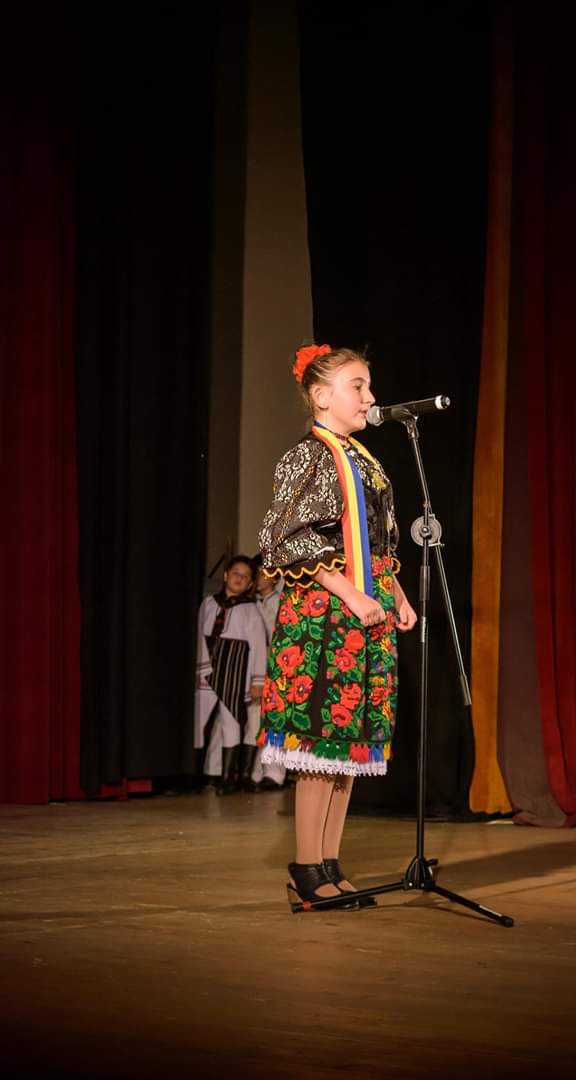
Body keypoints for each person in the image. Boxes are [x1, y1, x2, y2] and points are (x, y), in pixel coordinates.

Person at [257, 343, 417, 910]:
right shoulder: (310, 456)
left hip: (365, 613)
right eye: (358, 386)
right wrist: (351, 593)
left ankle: (329, 863)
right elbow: (285, 537)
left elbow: (377, 543)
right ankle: (305, 866)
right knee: (322, 742)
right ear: (321, 396)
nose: (370, 397)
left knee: (348, 748)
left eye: (369, 386)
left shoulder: (363, 460)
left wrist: (396, 595)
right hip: (325, 618)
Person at [194, 555, 267, 794]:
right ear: (226, 576)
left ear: (250, 584)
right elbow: (197, 635)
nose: (239, 578)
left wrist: (258, 681)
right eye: (236, 573)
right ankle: (194, 774)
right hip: (206, 668)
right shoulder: (208, 603)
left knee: (231, 722)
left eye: (245, 577)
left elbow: (258, 647)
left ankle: (227, 778)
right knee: (198, 720)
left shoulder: (250, 610)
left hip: (234, 672)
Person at [246, 564, 287, 791]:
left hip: (276, 665)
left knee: (274, 716)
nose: (260, 578)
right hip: (255, 665)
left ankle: (274, 772)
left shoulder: (280, 602)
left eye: (265, 574)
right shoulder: (251, 603)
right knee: (254, 720)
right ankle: (255, 771)